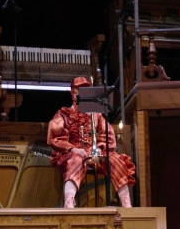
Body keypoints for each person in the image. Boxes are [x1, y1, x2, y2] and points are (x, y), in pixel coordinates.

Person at [47, 76, 136, 208]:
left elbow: (107, 135)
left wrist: (99, 148)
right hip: (73, 151)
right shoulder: (64, 114)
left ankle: (126, 203)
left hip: (94, 151)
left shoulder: (96, 115)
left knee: (115, 160)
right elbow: (56, 138)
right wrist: (73, 149)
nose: (81, 92)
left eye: (85, 90)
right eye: (78, 89)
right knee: (76, 159)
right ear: (72, 92)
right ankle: (69, 202)